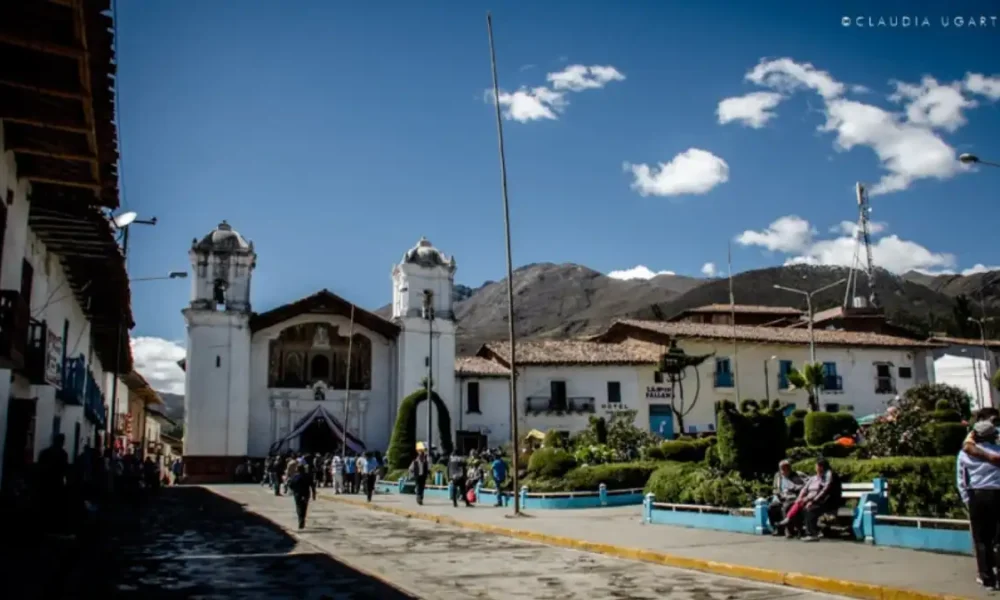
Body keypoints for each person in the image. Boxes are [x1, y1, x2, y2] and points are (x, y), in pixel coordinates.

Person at [958, 420, 1000, 589]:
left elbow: (962, 478)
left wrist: (967, 499)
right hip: (998, 493)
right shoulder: (997, 451)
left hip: (977, 494)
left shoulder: (965, 454)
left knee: (981, 539)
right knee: (999, 537)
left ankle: (986, 576)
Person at [768, 459, 806, 537]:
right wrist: (778, 493)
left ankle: (788, 530)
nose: (784, 469)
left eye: (786, 467)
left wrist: (795, 488)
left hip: (792, 496)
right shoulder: (777, 476)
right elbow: (775, 488)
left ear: (789, 467)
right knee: (771, 507)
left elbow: (807, 484)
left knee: (785, 507)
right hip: (780, 496)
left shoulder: (798, 474)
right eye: (782, 468)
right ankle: (777, 528)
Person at [287, 458, 313, 530]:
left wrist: (293, 490)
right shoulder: (308, 476)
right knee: (304, 507)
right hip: (306, 494)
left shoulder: (295, 477)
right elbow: (312, 485)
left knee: (298, 507)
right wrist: (314, 494)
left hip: (297, 494)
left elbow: (290, 485)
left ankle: (300, 520)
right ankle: (302, 520)